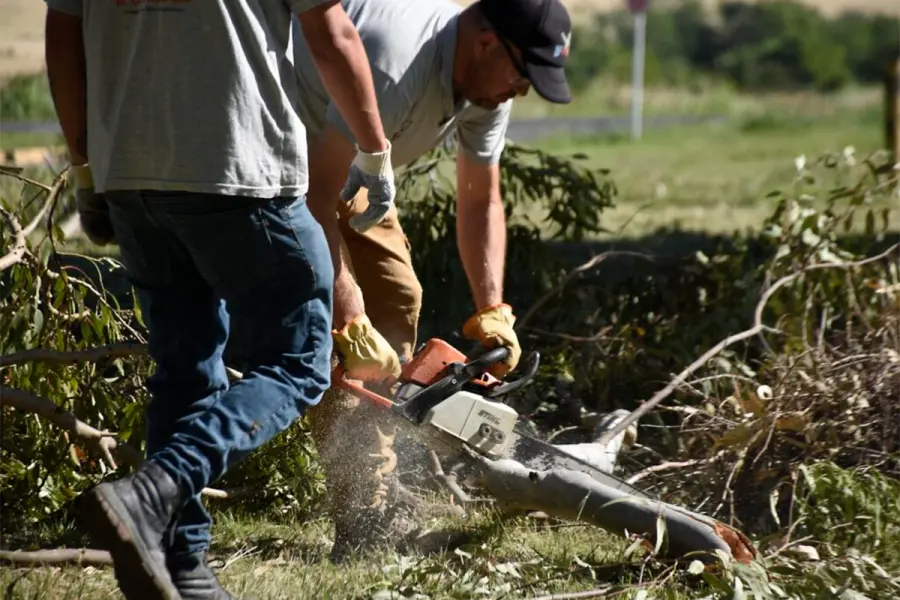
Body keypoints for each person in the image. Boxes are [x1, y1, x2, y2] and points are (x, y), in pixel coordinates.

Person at [43, 1, 396, 599]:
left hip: (130, 171)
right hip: (239, 168)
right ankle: (154, 490)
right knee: (298, 362)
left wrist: (85, 167)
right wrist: (376, 152)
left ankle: (183, 566)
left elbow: (63, 33)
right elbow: (332, 32)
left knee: (184, 369)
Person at [291, 0, 574, 562]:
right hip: (284, 165)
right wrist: (349, 314)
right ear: (487, 41)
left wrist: (493, 309)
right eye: (523, 74)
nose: (521, 91)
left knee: (398, 296)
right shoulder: (394, 63)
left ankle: (373, 483)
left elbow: (479, 198)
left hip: (350, 171)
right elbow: (314, 198)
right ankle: (362, 513)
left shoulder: (486, 84)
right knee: (348, 326)